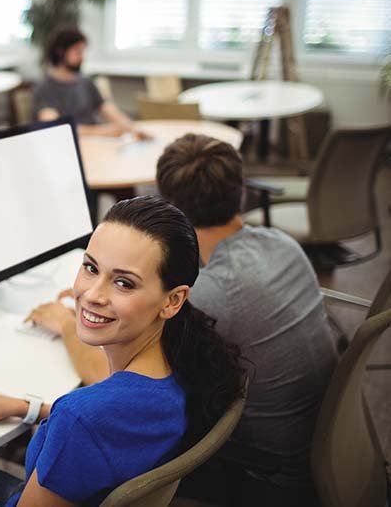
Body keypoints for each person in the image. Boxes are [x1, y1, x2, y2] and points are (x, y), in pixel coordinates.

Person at [0, 196, 245, 506]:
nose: (92, 295)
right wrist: (23, 407)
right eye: (91, 268)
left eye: (124, 283)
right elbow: (109, 434)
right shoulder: (179, 367)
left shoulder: (83, 418)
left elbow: (87, 426)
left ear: (172, 300)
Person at [29, 134, 336, 505]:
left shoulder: (210, 294)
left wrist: (66, 323)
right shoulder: (282, 243)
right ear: (239, 194)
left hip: (264, 476)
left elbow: (118, 389)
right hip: (322, 440)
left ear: (172, 213)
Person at [34, 26, 140, 138]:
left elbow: (108, 109)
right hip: (70, 145)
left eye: (83, 51)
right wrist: (102, 131)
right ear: (60, 52)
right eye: (77, 51)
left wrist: (132, 128)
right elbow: (56, 128)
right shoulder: (45, 87)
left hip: (96, 142)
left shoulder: (86, 82)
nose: (82, 57)